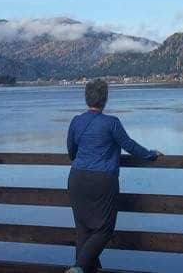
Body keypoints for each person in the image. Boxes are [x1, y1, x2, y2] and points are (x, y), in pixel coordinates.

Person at [65, 79, 160, 273]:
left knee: (83, 229)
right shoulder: (111, 123)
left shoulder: (76, 121)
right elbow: (129, 145)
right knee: (104, 229)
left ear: (86, 98)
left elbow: (71, 152)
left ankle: (82, 269)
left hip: (77, 178)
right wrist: (150, 154)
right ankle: (78, 268)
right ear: (105, 99)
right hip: (102, 181)